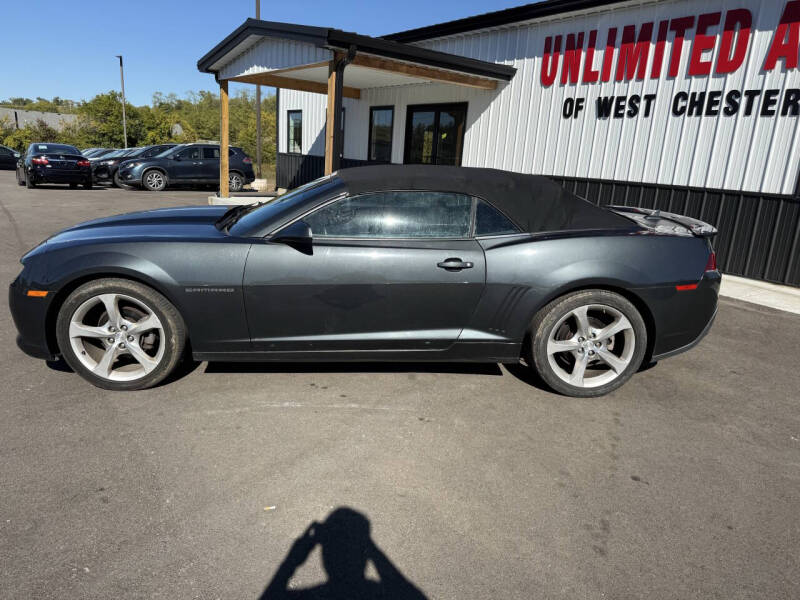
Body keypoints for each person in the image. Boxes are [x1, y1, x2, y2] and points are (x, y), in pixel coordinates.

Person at [260, 507, 428, 599]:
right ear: (363, 556)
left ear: (324, 555)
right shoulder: (376, 593)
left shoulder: (314, 596)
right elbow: (408, 592)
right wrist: (369, 545)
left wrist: (293, 559)